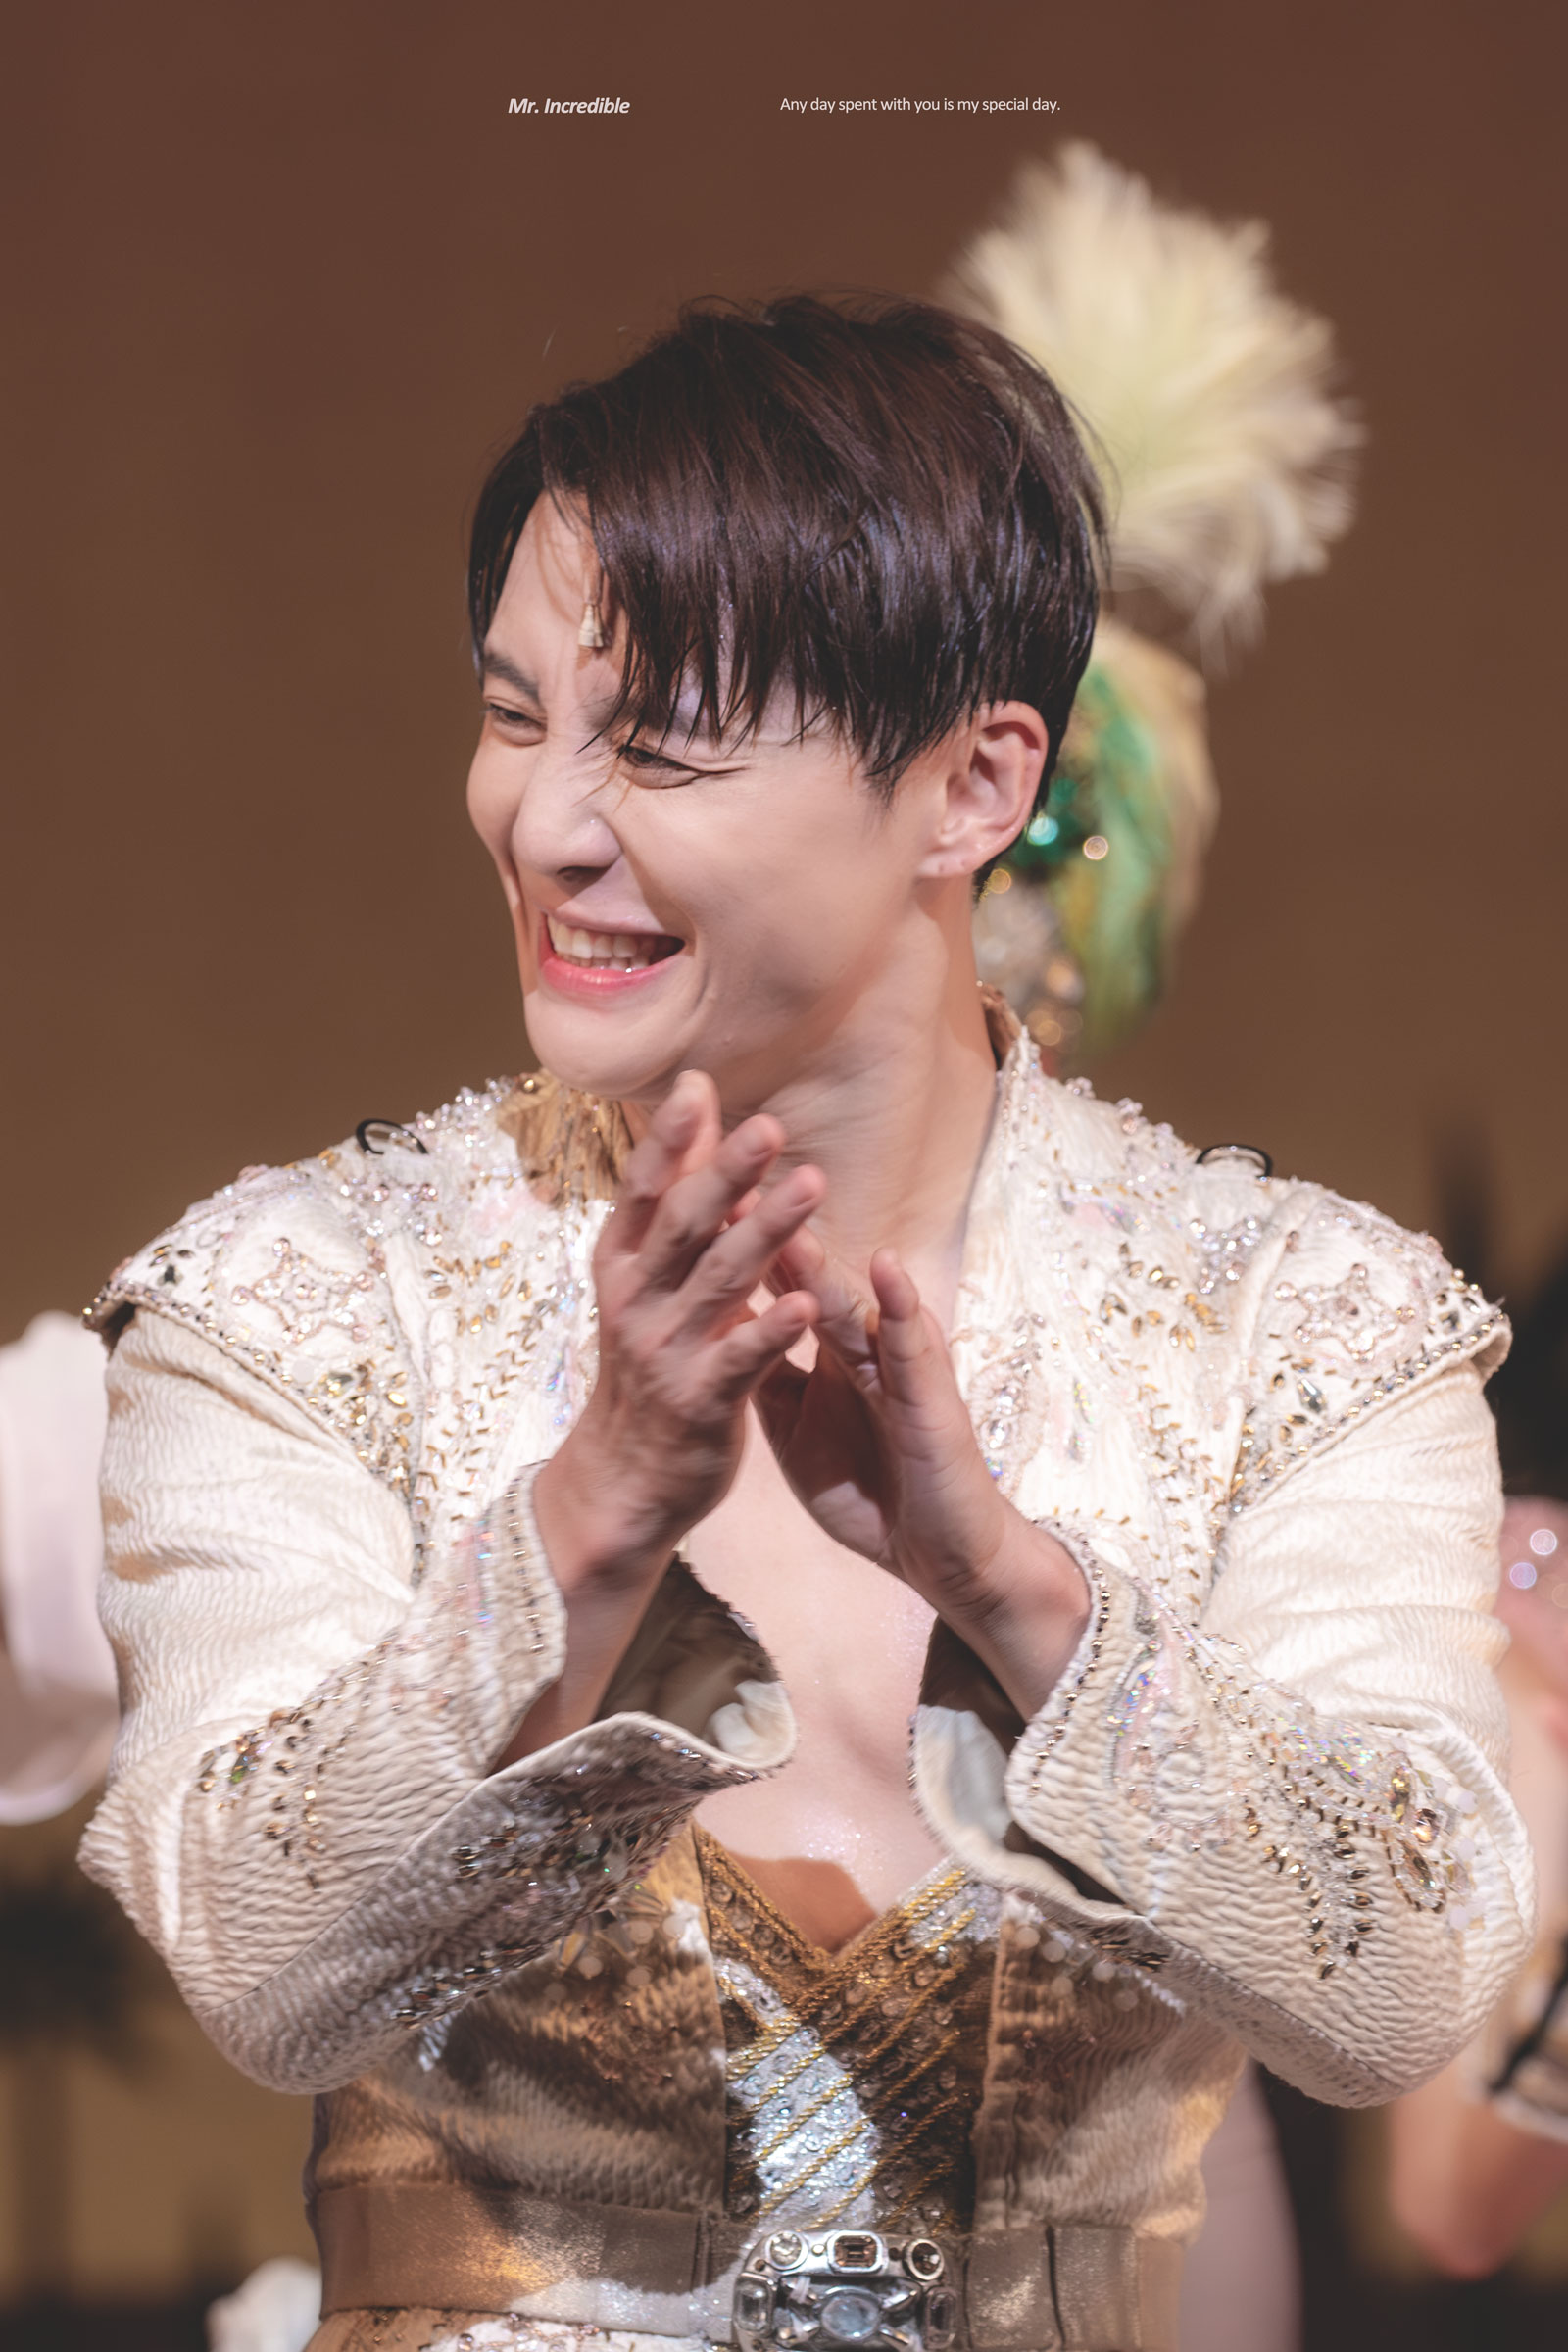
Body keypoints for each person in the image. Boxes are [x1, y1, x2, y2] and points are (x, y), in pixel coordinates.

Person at [81, 295, 1531, 2352]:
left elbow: (1396, 1997)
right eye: (513, 718)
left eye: (657, 746)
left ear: (973, 786)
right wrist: (583, 1525)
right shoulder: (306, 1305)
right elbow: (262, 1968)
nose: (545, 823)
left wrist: (1016, 1590)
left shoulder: (1295, 1332)